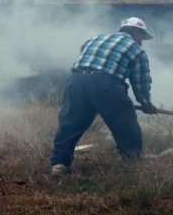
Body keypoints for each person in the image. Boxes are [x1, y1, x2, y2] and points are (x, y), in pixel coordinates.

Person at [50, 17, 159, 177]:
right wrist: (145, 103)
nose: (142, 41)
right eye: (142, 37)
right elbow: (140, 81)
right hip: (106, 84)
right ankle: (132, 162)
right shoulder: (137, 49)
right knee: (126, 123)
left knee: (70, 124)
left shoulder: (95, 39)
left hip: (76, 80)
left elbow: (86, 58)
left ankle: (59, 164)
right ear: (136, 32)